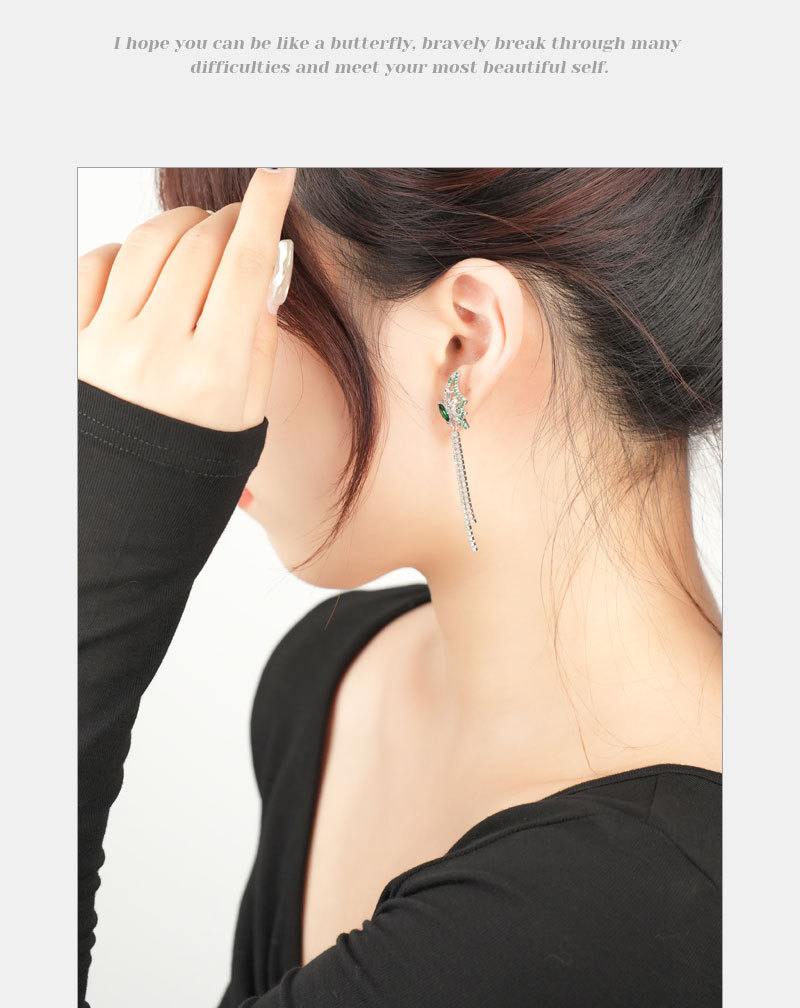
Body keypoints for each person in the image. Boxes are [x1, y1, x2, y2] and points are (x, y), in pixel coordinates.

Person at [78, 167, 722, 1007]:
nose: (192, 355)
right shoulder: (336, 675)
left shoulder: (635, 901)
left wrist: (104, 522)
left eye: (252, 284)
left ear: (464, 343)